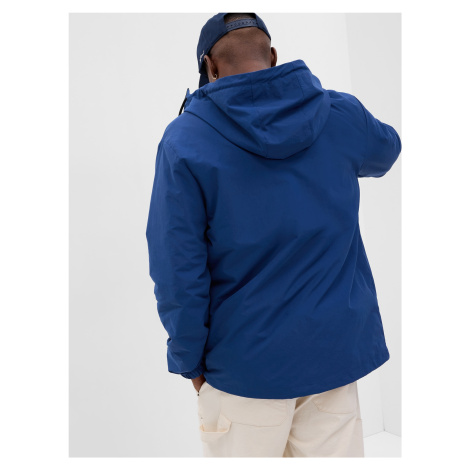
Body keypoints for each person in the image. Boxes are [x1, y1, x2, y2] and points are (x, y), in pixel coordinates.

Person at [146, 12, 402, 458]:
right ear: (274, 57)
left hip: (242, 369)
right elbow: (387, 148)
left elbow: (177, 268)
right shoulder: (337, 114)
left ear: (210, 67)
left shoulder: (185, 139)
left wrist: (189, 362)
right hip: (333, 357)